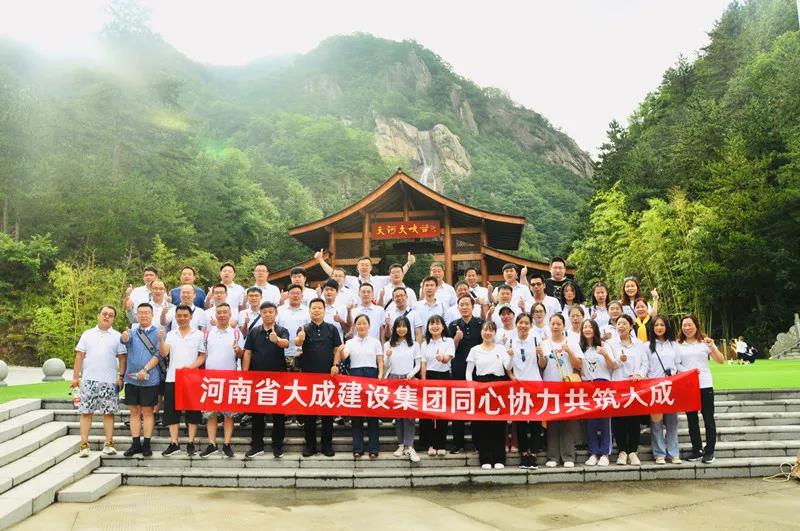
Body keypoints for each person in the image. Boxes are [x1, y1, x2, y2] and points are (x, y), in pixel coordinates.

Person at [73, 305, 127, 457]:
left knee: (109, 413)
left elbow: (122, 358)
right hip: (89, 379)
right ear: (98, 315)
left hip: (109, 381)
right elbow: (79, 356)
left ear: (113, 319)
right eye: (104, 313)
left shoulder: (117, 336)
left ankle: (109, 444)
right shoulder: (87, 334)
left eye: (110, 315)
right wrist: (75, 377)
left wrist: (121, 377)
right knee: (86, 412)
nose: (107, 317)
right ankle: (84, 445)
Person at [295, 298, 343, 457]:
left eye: (319, 308)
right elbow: (297, 343)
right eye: (313, 308)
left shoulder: (332, 329)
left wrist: (336, 364)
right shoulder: (303, 328)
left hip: (328, 377)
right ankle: (310, 446)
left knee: (327, 413)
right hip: (308, 376)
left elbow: (337, 349)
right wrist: (300, 338)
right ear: (309, 311)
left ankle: (327, 445)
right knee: (309, 413)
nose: (316, 311)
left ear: (324, 310)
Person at [243, 301, 290, 458]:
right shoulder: (254, 332)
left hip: (278, 378)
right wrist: (245, 373)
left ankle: (277, 445)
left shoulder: (282, 330)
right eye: (265, 312)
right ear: (261, 314)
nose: (268, 314)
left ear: (276, 313)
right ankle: (257, 446)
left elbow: (286, 344)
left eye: (271, 312)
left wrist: (277, 340)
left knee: (278, 414)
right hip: (257, 378)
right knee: (257, 414)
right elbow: (248, 352)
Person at [676, 314, 725, 464]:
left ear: (696, 326)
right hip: (688, 386)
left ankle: (709, 451)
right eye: (684, 325)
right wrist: (688, 372)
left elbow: (720, 360)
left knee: (708, 419)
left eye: (690, 325)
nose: (687, 328)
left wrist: (712, 346)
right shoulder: (678, 344)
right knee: (692, 420)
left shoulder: (705, 342)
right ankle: (697, 449)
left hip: (704, 384)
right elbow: (676, 364)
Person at [159, 305, 207, 457]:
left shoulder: (199, 334)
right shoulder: (171, 334)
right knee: (171, 411)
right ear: (175, 317)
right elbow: (164, 353)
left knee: (193, 411)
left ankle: (191, 442)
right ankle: (174, 443)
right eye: (179, 316)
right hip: (172, 377)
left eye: (185, 315)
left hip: (192, 378)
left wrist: (191, 367)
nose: (182, 318)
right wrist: (160, 340)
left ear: (191, 317)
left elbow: (202, 356)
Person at [199, 303, 243, 459]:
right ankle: (212, 444)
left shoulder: (236, 333)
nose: (222, 315)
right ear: (215, 315)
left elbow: (243, 355)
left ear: (230, 315)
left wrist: (239, 351)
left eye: (225, 312)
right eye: (220, 312)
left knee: (228, 415)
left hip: (230, 380)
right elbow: (202, 356)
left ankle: (227, 444)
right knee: (210, 414)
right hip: (210, 380)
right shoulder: (207, 334)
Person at [466, 320, 512, 469]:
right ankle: (485, 458)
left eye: (491, 330)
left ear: (495, 333)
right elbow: (469, 372)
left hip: (498, 385)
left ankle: (499, 458)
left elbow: (507, 366)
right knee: (482, 423)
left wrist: (510, 356)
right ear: (481, 332)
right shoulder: (474, 350)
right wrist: (471, 386)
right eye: (485, 330)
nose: (488, 333)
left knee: (499, 423)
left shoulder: (501, 348)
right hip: (481, 385)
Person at [540, 314, 581, 467]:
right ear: (549, 325)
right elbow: (542, 365)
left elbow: (578, 365)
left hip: (567, 387)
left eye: (558, 324)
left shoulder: (572, 342)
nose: (556, 326)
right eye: (553, 324)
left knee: (568, 422)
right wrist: (540, 356)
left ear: (564, 325)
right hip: (550, 387)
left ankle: (568, 457)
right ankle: (553, 457)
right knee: (552, 423)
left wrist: (569, 351)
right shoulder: (544, 343)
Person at [120, 303, 161, 458]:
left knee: (148, 412)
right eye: (141, 312)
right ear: (137, 315)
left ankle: (147, 444)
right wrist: (124, 336)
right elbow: (124, 340)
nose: (143, 315)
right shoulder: (132, 332)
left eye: (146, 312)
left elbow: (158, 355)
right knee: (134, 412)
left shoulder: (158, 333)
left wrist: (145, 369)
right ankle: (135, 443)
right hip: (132, 379)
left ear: (152, 315)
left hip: (150, 379)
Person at [342, 313, 384, 458]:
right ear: (354, 326)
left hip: (372, 375)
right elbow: (344, 356)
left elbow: (380, 360)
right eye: (358, 323)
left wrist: (380, 374)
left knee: (373, 413)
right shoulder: (350, 342)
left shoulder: (375, 342)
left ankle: (374, 449)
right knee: (356, 414)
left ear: (369, 325)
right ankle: (357, 448)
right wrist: (340, 350)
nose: (361, 326)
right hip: (355, 375)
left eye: (364, 323)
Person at [608, 314, 648, 466]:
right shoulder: (611, 344)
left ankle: (633, 451)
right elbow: (610, 365)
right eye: (619, 323)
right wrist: (620, 360)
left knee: (634, 420)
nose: (621, 326)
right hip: (618, 386)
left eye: (624, 323)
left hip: (635, 387)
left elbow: (645, 363)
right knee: (619, 420)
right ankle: (622, 451)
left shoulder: (639, 344)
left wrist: (640, 374)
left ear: (631, 326)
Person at [508, 313, 546, 469]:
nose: (523, 326)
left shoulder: (536, 339)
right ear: (516, 324)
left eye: (526, 323)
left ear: (531, 325)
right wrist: (511, 377)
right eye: (520, 322)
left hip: (535, 384)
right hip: (519, 386)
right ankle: (524, 454)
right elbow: (507, 364)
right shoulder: (511, 341)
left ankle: (534, 454)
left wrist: (541, 354)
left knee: (536, 421)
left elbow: (542, 364)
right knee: (521, 422)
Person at [448, 295, 484, 453]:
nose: (464, 307)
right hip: (458, 369)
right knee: (458, 406)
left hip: (478, 370)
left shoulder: (481, 324)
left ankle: (478, 442)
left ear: (472, 306)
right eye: (461, 305)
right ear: (458, 308)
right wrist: (456, 339)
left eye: (467, 304)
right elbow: (449, 350)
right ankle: (458, 443)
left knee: (477, 406)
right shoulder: (453, 325)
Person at [579, 319, 616, 467]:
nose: (587, 329)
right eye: (585, 327)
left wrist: (605, 354)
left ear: (595, 329)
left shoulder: (604, 345)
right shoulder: (580, 348)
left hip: (603, 384)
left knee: (605, 421)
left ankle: (605, 453)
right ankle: (593, 452)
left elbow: (612, 365)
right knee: (590, 422)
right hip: (587, 385)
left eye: (590, 327)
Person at [384, 316, 422, 462]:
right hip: (393, 380)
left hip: (408, 380)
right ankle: (401, 444)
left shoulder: (414, 345)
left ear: (408, 328)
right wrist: (388, 357)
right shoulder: (388, 344)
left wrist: (410, 375)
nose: (401, 329)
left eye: (404, 326)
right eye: (398, 326)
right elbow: (386, 366)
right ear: (394, 328)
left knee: (410, 414)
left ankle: (409, 445)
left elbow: (418, 364)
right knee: (398, 414)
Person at [647, 315, 682, 464]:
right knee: (656, 423)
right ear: (652, 328)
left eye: (662, 325)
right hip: (654, 388)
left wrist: (692, 372)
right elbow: (645, 366)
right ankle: (659, 453)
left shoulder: (674, 345)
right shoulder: (647, 346)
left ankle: (674, 453)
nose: (659, 328)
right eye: (656, 325)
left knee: (672, 422)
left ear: (667, 327)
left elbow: (678, 365)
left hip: (671, 387)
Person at [419, 315, 453, 456]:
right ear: (428, 327)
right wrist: (423, 381)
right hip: (429, 377)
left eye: (438, 323)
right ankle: (430, 444)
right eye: (432, 324)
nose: (435, 326)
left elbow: (447, 359)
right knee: (428, 413)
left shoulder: (449, 341)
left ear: (443, 326)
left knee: (442, 413)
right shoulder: (424, 344)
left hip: (443, 377)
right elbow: (423, 364)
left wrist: (442, 358)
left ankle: (441, 444)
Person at [316, 252, 415, 296]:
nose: (364, 267)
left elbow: (397, 275)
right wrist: (320, 260)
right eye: (362, 265)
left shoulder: (378, 280)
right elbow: (333, 273)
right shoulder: (351, 280)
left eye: (367, 265)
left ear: (371, 268)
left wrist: (409, 263)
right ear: (357, 268)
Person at [276, 284, 310, 363]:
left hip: (302, 353)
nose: (295, 295)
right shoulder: (279, 310)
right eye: (292, 293)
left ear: (302, 296)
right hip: (282, 352)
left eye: (298, 293)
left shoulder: (308, 311)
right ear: (287, 295)